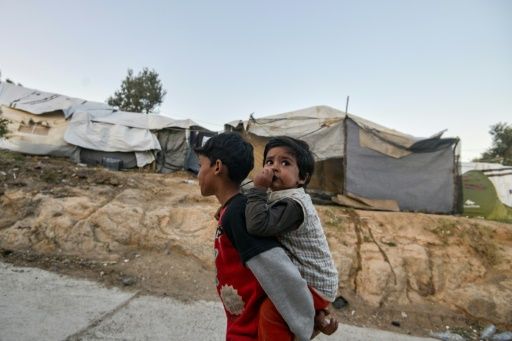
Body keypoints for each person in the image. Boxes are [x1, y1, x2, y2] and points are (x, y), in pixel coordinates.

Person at [194, 132, 316, 341]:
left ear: (217, 167)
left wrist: (305, 318)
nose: (197, 174)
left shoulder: (238, 213)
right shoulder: (234, 209)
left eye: (200, 166)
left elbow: (278, 269)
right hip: (241, 323)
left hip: (250, 331)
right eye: (269, 161)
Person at [245, 136, 339, 340]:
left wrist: (258, 189)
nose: (274, 168)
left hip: (315, 284)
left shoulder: (294, 205)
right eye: (269, 162)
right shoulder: (278, 197)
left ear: (302, 178)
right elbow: (253, 205)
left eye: (285, 162)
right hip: (302, 279)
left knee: (272, 312)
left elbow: (257, 224)